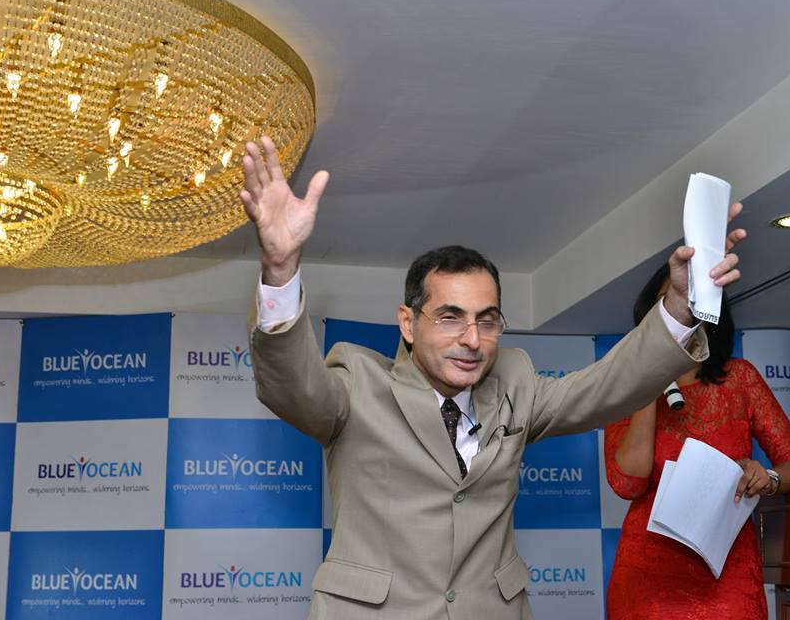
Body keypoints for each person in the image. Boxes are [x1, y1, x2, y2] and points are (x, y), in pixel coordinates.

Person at [238, 136, 746, 619]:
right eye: (450, 317)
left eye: (487, 320)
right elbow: (292, 387)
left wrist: (679, 307)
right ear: (408, 323)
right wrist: (280, 270)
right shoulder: (357, 381)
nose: (472, 339)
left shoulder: (516, 383)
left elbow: (607, 387)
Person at [604, 263, 790, 620]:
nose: (679, 313)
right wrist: (647, 383)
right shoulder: (626, 387)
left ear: (709, 314)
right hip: (649, 576)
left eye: (690, 303)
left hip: (727, 567)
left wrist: (768, 477)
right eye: (668, 303)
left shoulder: (740, 378)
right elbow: (628, 483)